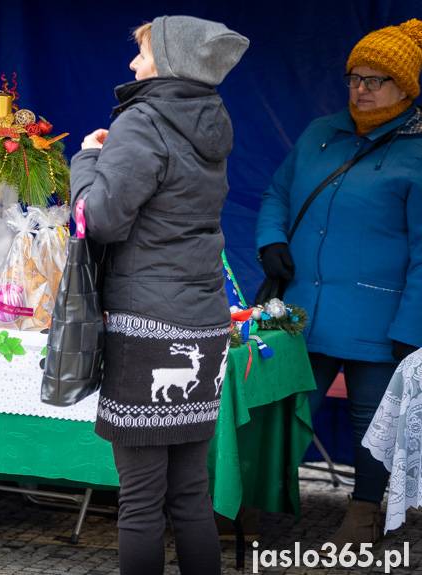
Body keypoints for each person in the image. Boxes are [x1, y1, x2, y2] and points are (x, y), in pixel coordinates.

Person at [70, 15, 249, 575]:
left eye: (143, 54)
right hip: (203, 321)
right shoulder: (212, 122)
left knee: (142, 501)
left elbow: (99, 220)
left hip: (148, 324)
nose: (132, 64)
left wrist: (86, 160)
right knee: (190, 493)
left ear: (170, 62)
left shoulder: (143, 121)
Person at [256, 19, 422, 547]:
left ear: (406, 87)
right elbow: (277, 194)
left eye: (375, 80)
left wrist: (411, 328)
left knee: (372, 421)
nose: (360, 89)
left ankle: (365, 511)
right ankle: (258, 500)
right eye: (354, 77)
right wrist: (271, 240)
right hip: (302, 309)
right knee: (283, 410)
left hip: (381, 318)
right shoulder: (319, 133)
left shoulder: (419, 150)